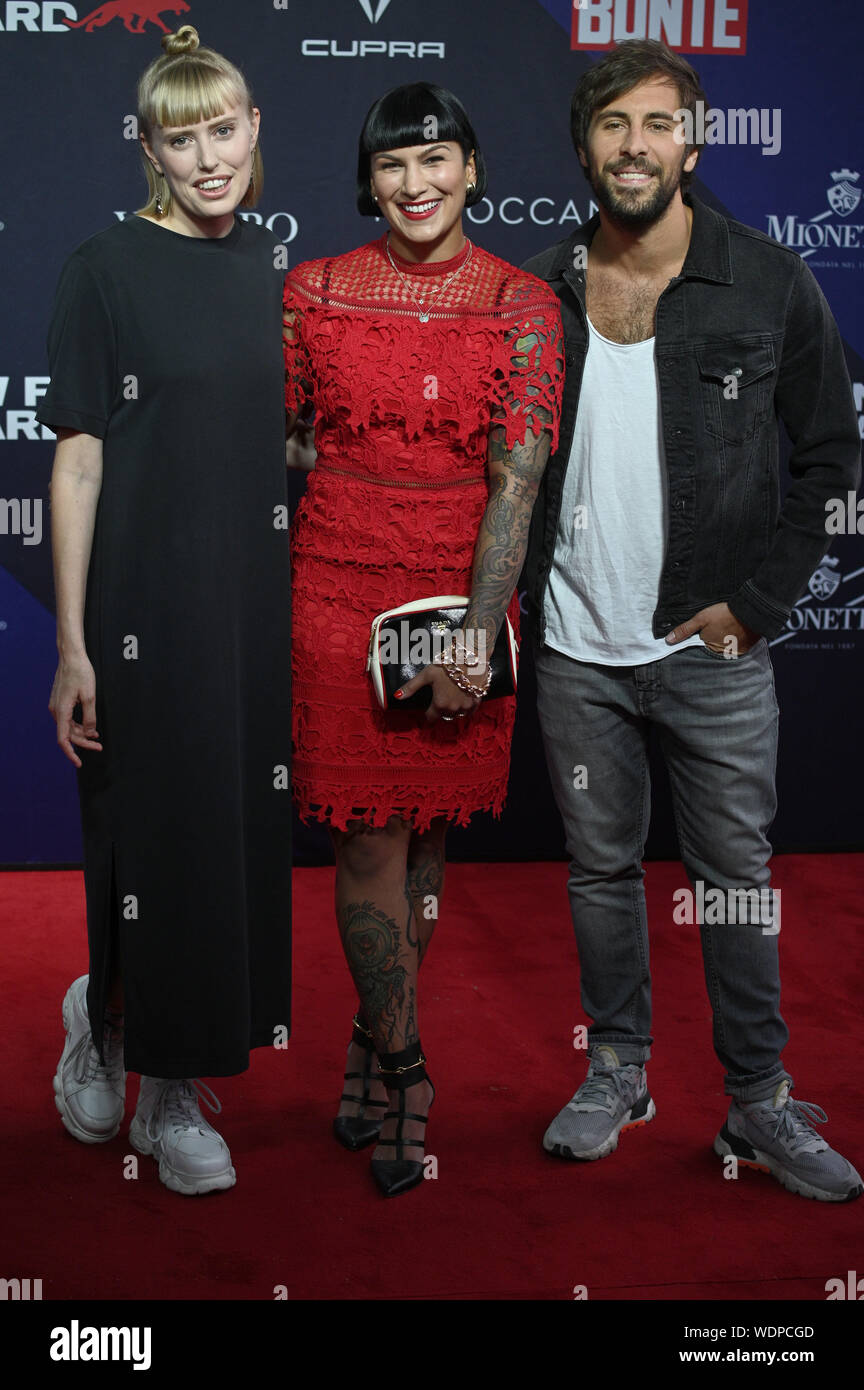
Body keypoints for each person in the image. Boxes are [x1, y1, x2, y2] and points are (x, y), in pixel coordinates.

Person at [522, 39, 862, 1202]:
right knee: (599, 871)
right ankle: (616, 1068)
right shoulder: (540, 287)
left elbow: (829, 457)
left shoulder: (769, 281)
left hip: (708, 650)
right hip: (575, 651)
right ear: (584, 147)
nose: (635, 146)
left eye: (658, 123)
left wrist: (757, 607)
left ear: (694, 140)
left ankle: (758, 1103)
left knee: (734, 879)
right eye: (614, 125)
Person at [283, 82, 563, 1197]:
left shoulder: (523, 303)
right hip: (337, 582)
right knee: (368, 844)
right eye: (395, 164)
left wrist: (472, 633)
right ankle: (406, 1063)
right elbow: (292, 434)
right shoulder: (311, 291)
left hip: (461, 588)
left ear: (473, 169)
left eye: (437, 158)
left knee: (432, 839)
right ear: (372, 177)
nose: (416, 183)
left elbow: (520, 478)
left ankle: (366, 1037)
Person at [37, 25, 292, 1196]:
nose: (207, 158)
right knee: (145, 836)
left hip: (242, 605)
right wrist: (76, 642)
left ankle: (172, 1087)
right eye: (181, 138)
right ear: (148, 146)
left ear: (254, 130)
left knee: (221, 843)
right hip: (139, 603)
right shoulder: (102, 267)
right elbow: (78, 464)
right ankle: (112, 1018)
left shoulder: (265, 273)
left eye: (224, 130)